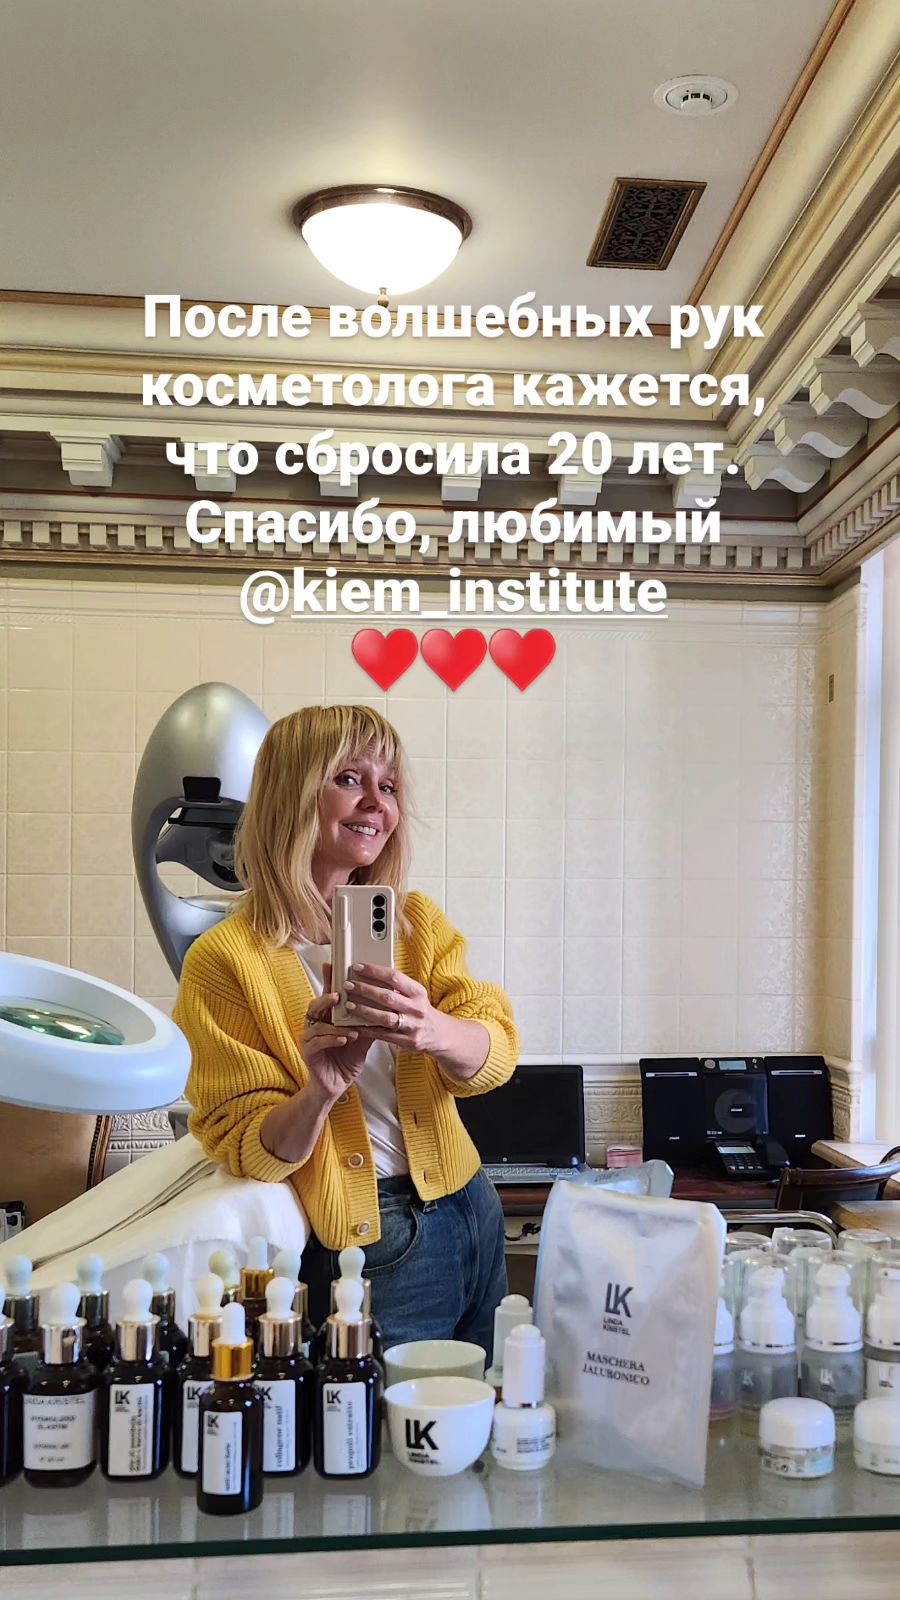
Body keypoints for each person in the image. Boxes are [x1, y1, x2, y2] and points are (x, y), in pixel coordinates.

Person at [173, 704, 519, 1357]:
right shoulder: (225, 961)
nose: (376, 803)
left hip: (472, 1201)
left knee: (490, 1397)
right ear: (293, 792)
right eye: (350, 778)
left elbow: (495, 1048)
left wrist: (431, 1029)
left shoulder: (415, 924)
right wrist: (320, 1090)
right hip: (370, 1240)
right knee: (388, 1416)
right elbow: (245, 1144)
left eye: (389, 786)